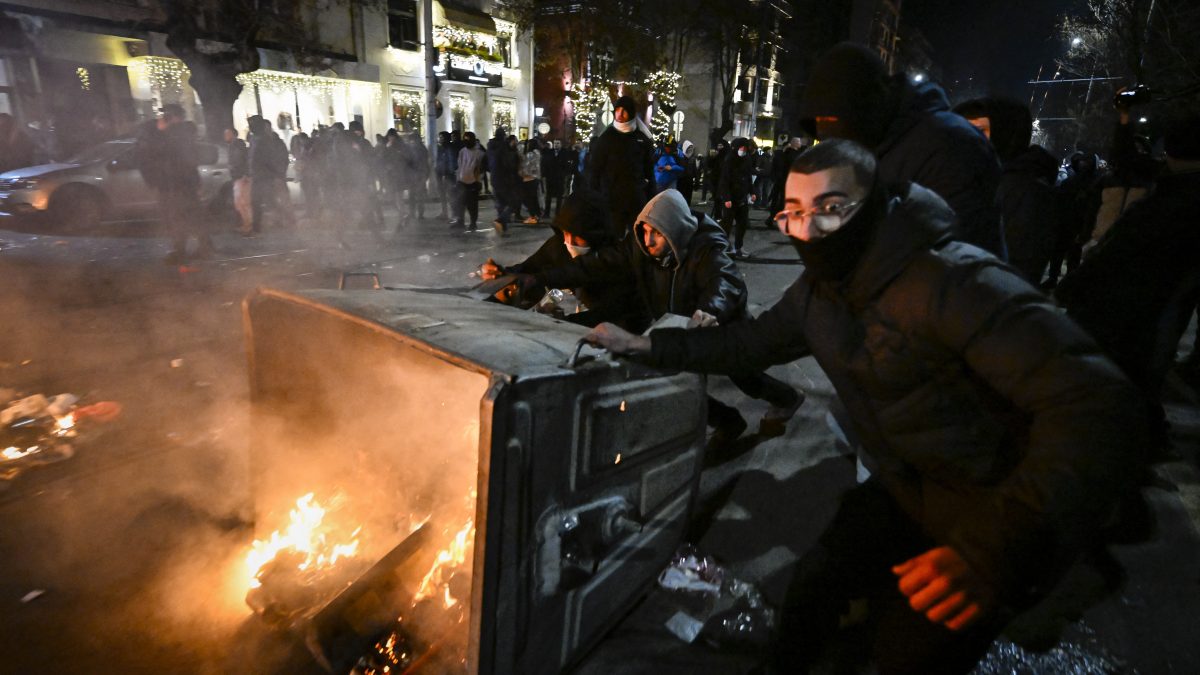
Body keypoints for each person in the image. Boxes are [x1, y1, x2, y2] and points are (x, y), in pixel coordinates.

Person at [585, 139, 1145, 674]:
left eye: (831, 207)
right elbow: (747, 343)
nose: (811, 229)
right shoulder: (819, 292)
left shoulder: (954, 281)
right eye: (793, 211)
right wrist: (645, 345)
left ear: (872, 204)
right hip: (908, 483)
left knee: (908, 654)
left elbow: (1097, 404)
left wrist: (991, 550)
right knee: (815, 584)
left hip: (996, 501)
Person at [521, 189, 805, 446]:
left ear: (675, 229)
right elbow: (594, 266)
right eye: (643, 232)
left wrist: (710, 310)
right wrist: (541, 279)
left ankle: (787, 398)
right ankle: (728, 422)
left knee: (744, 375)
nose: (648, 240)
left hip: (718, 327)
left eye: (655, 233)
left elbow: (724, 282)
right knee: (680, 382)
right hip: (676, 329)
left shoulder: (707, 250)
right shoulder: (639, 248)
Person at [1056, 115, 1200, 454]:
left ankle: (1131, 444)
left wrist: (1072, 286)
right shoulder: (1172, 189)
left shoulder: (1171, 200)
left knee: (1128, 376)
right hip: (1153, 305)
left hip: (1135, 305)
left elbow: (1121, 250)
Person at [800, 42, 1005, 258]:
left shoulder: (949, 146)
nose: (825, 130)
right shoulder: (869, 149)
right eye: (818, 121)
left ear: (866, 106)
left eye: (831, 117)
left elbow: (957, 259)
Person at [479, 189, 642, 328]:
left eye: (578, 237)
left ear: (596, 234)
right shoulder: (559, 245)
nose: (569, 243)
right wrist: (501, 274)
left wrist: (564, 322)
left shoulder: (615, 258)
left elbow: (611, 316)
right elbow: (529, 269)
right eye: (565, 233)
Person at [954, 97, 1060, 284]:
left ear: (1006, 134)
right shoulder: (973, 177)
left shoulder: (1025, 191)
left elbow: (1017, 269)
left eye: (980, 131)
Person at [135, 104, 210, 262]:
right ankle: (200, 246)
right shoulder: (173, 134)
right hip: (171, 183)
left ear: (176, 117)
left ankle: (184, 249)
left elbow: (170, 154)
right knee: (183, 216)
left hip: (178, 184)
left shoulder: (180, 134)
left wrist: (161, 132)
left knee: (179, 216)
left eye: (168, 116)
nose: (164, 119)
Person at [585, 95, 656, 239]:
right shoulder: (606, 138)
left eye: (624, 110)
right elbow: (594, 170)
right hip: (611, 200)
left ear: (631, 113)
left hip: (636, 200)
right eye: (617, 110)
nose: (620, 114)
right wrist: (594, 197)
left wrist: (651, 196)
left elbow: (649, 170)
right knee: (613, 238)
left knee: (638, 239)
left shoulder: (641, 139)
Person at [247, 116, 293, 235]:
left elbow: (276, 159)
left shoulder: (270, 141)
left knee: (272, 200)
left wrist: (278, 175)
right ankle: (257, 226)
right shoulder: (255, 139)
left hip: (267, 176)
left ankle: (286, 220)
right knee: (257, 201)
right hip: (258, 176)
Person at [718, 137, 756, 256]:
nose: (743, 150)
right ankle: (724, 247)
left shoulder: (747, 159)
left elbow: (749, 178)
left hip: (742, 198)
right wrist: (727, 198)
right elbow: (724, 180)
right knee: (727, 224)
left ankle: (739, 247)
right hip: (731, 198)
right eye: (741, 148)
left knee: (742, 224)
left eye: (745, 148)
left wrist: (752, 192)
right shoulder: (729, 159)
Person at [453, 131, 487, 232]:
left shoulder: (480, 153)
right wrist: (458, 179)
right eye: (465, 139)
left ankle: (473, 223)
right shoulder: (462, 151)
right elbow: (460, 165)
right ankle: (460, 221)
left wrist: (478, 181)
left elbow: (481, 169)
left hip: (473, 182)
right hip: (462, 181)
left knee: (472, 205)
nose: (466, 141)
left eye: (468, 139)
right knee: (460, 203)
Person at [223, 127, 252, 234]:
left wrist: (243, 173)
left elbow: (240, 159)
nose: (225, 136)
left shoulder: (237, 145)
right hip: (239, 176)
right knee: (240, 203)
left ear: (233, 134)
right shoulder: (234, 145)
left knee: (243, 203)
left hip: (241, 177)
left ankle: (248, 225)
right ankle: (246, 224)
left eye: (227, 133)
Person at [434, 130, 458, 222]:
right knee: (442, 195)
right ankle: (444, 212)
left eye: (441, 137)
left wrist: (445, 173)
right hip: (440, 174)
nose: (440, 139)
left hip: (447, 175)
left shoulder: (449, 148)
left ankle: (454, 215)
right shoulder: (440, 148)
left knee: (451, 196)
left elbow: (451, 163)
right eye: (439, 137)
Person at [519, 138, 543, 225]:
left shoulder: (530, 154)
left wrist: (522, 172)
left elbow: (526, 167)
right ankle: (538, 215)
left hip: (528, 178)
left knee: (528, 199)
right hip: (535, 178)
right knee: (534, 198)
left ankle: (533, 216)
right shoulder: (538, 153)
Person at [542, 139, 568, 218]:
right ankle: (547, 213)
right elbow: (546, 163)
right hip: (550, 177)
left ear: (561, 144)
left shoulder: (564, 152)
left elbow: (566, 165)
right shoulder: (550, 152)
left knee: (559, 197)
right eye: (555, 143)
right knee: (548, 196)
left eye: (558, 143)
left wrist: (564, 174)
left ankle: (557, 213)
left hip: (560, 177)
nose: (556, 145)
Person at [678, 140, 700, 205]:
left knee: (688, 198)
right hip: (681, 181)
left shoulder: (692, 159)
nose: (690, 150)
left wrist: (697, 181)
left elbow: (695, 171)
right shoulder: (680, 158)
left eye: (691, 148)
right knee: (681, 198)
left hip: (689, 181)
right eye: (689, 148)